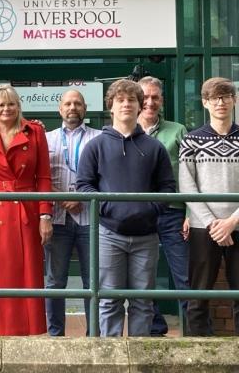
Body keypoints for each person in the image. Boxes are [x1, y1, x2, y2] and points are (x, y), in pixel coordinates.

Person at [77, 79, 175, 337]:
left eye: (131, 100)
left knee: (143, 302)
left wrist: (148, 208)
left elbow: (168, 189)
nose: (126, 105)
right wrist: (109, 207)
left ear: (140, 106)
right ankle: (111, 359)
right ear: (111, 106)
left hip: (146, 237)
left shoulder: (154, 147)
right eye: (120, 100)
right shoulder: (95, 146)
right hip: (109, 235)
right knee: (109, 300)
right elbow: (84, 186)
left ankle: (139, 356)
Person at [0, 84, 53, 336]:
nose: (6, 109)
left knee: (29, 271)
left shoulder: (35, 132)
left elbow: (43, 177)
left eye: (11, 103)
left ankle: (30, 330)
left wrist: (45, 214)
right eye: (1, 104)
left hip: (27, 208)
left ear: (19, 106)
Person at [179, 77, 239, 336]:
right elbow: (187, 187)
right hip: (204, 227)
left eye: (226, 96)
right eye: (214, 98)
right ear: (205, 103)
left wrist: (232, 222)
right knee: (199, 295)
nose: (220, 102)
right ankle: (196, 351)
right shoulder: (191, 141)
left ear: (234, 100)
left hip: (237, 224)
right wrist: (215, 224)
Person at [44, 89, 101, 336]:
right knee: (55, 281)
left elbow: (105, 175)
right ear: (60, 109)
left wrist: (81, 196)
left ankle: (93, 336)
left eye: (77, 103)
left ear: (85, 109)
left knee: (93, 282)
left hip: (90, 218)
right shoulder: (46, 139)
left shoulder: (100, 138)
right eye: (67, 103)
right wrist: (64, 198)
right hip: (57, 220)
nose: (72, 107)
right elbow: (40, 177)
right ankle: (56, 335)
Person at [137, 76, 189, 336]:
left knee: (184, 274)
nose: (149, 102)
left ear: (162, 100)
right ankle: (155, 329)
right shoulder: (126, 129)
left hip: (173, 212)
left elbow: (192, 174)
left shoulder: (178, 130)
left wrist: (190, 211)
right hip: (140, 213)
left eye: (155, 97)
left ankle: (193, 331)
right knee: (143, 276)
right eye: (145, 97)